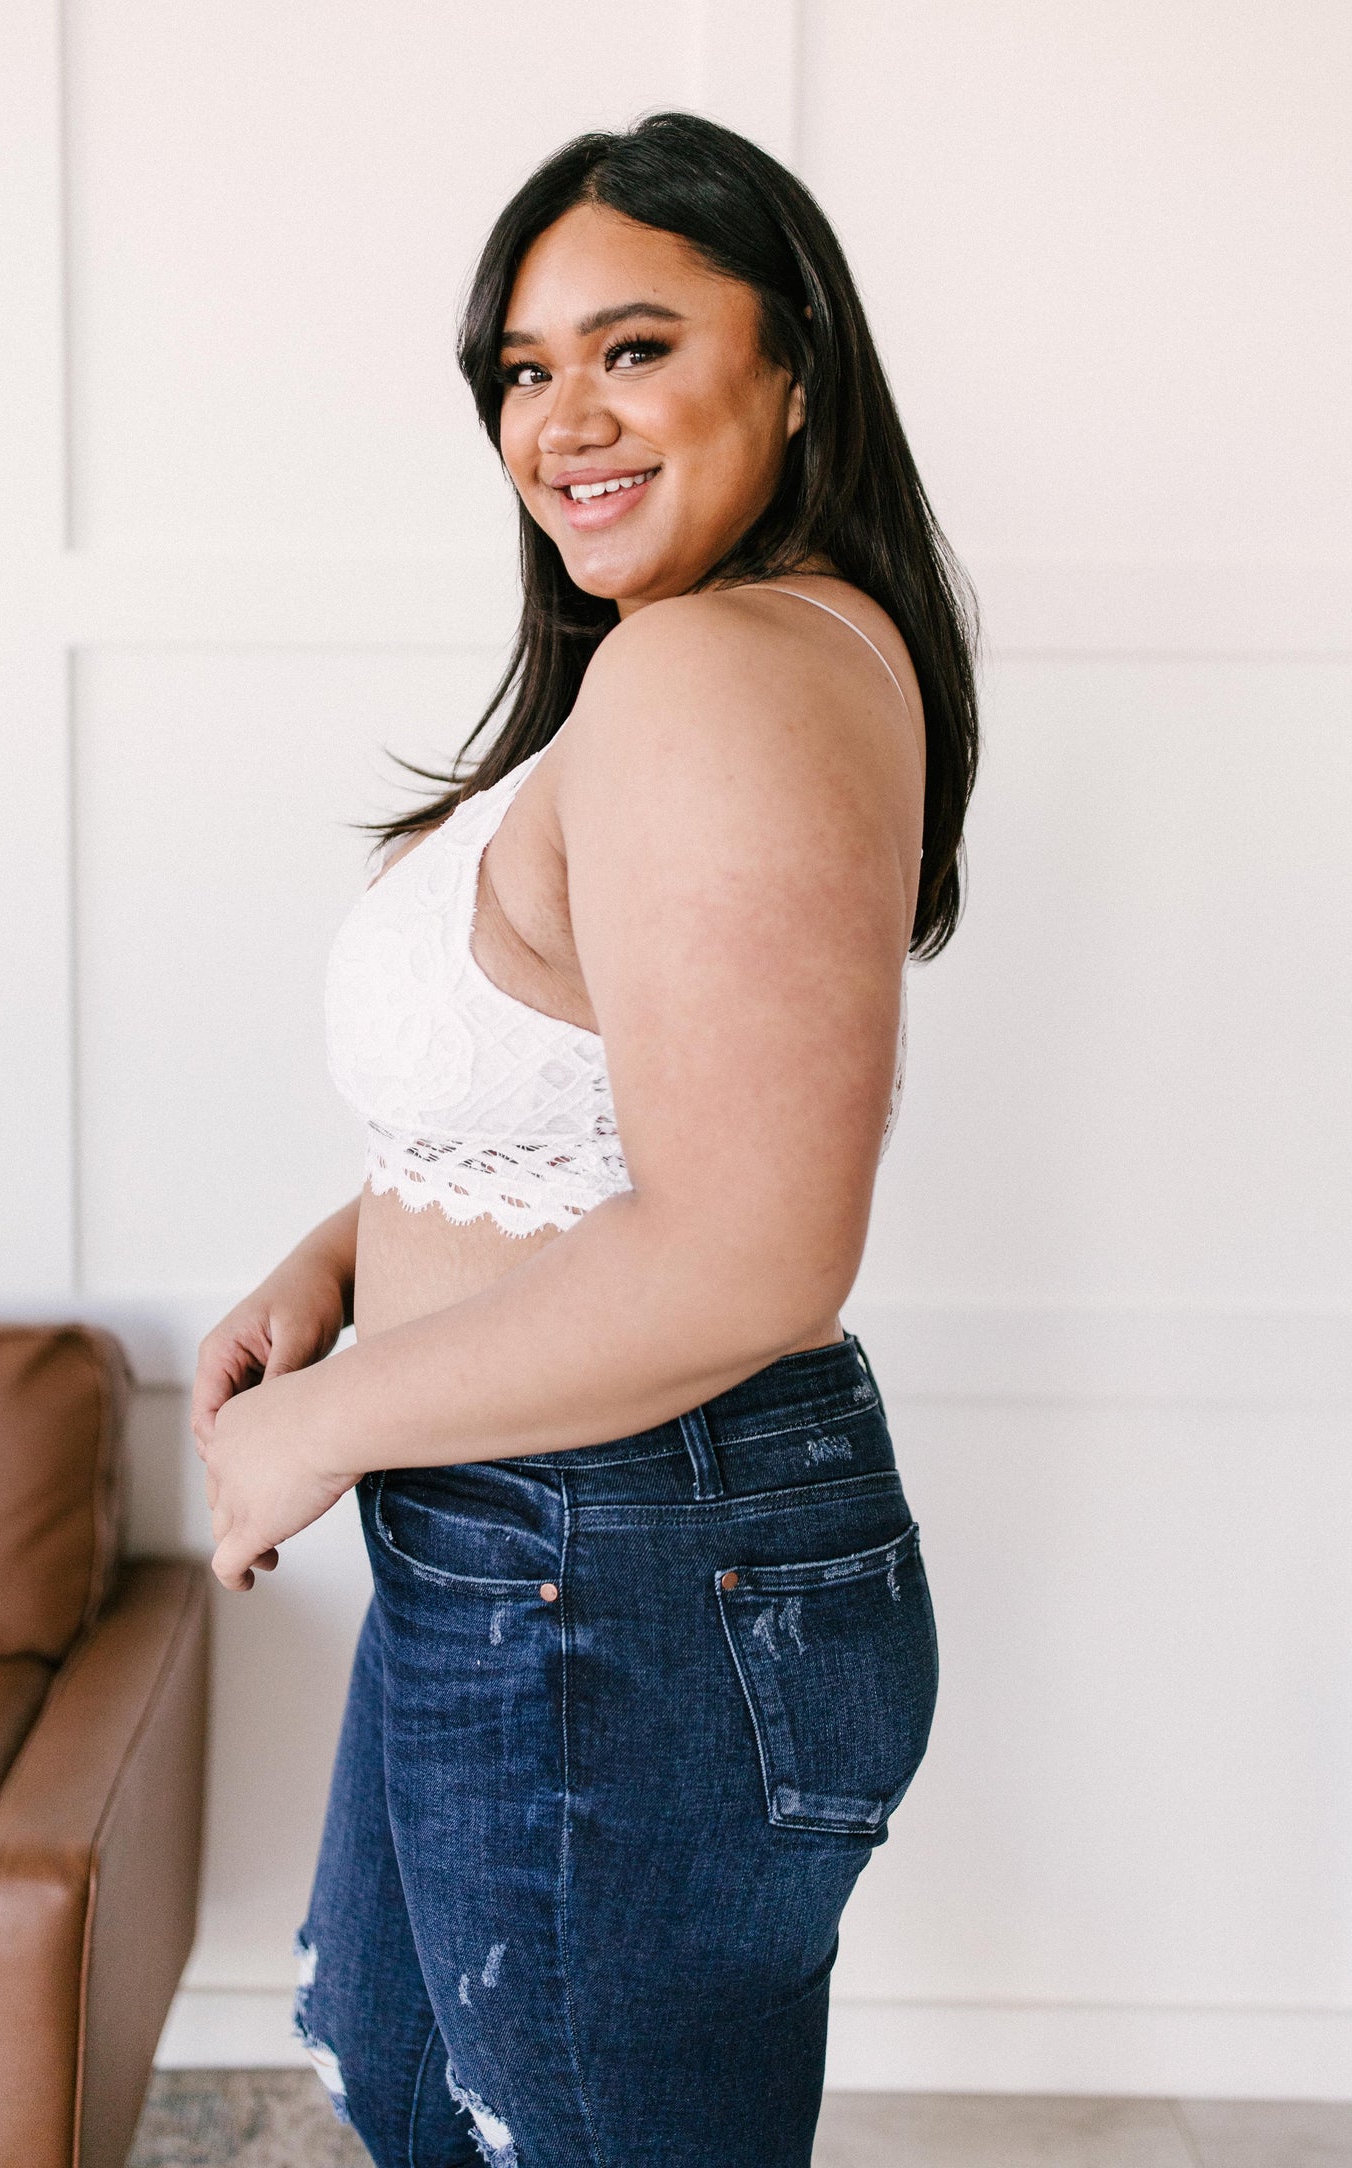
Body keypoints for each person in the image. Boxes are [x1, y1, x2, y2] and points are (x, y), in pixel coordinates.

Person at [191, 109, 978, 2168]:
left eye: (634, 347)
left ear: (793, 367)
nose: (563, 420)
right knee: (409, 2073)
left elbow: (750, 1252)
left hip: (614, 1547)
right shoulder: (707, 657)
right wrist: (345, 1253)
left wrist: (317, 1427)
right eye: (525, 371)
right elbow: (586, 1099)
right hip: (554, 1530)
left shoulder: (713, 669)